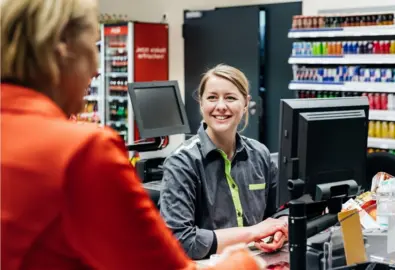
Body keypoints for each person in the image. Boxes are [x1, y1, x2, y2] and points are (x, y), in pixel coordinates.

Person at [0, 0, 266, 269]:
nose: (95, 70)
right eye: (92, 48)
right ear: (62, 51)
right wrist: (241, 262)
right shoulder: (82, 150)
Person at [159, 64, 289, 260]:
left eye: (230, 98)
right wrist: (254, 232)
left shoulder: (260, 154)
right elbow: (179, 241)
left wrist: (281, 229)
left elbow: (282, 210)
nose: (221, 106)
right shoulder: (182, 163)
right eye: (212, 97)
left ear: (245, 103)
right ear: (201, 103)